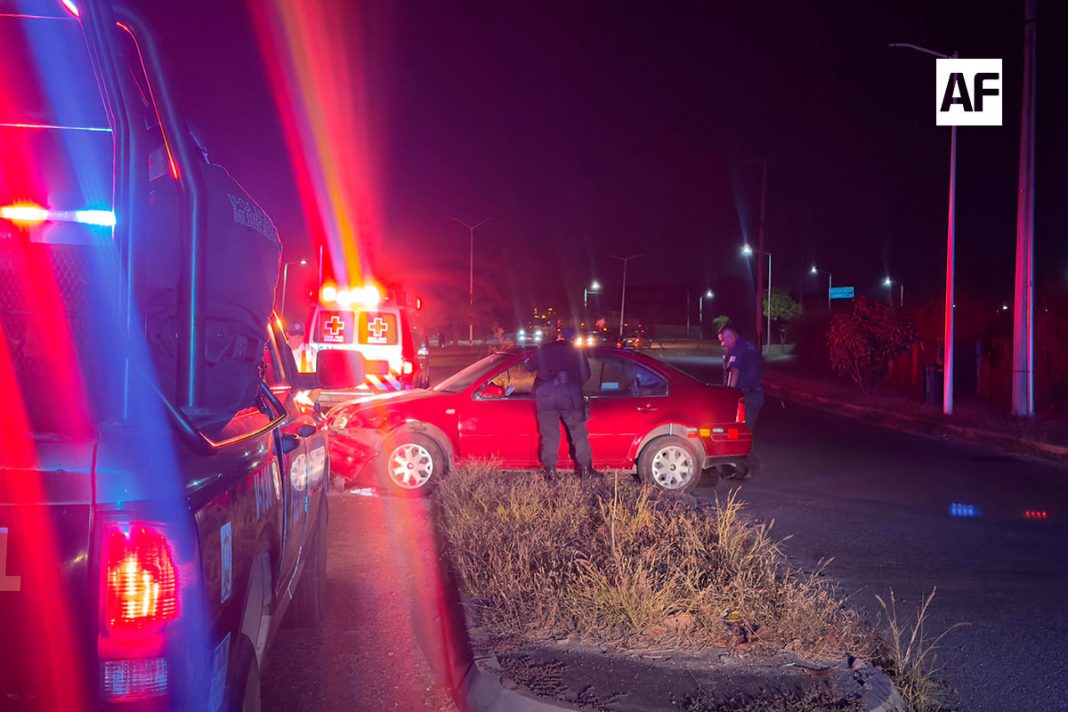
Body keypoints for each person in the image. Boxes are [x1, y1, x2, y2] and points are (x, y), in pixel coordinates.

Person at [525, 326, 593, 477]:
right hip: (570, 398)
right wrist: (574, 385)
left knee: (550, 436)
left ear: (559, 336)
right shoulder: (577, 352)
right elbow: (587, 375)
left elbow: (528, 366)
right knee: (579, 435)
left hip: (546, 397)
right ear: (574, 339)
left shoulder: (544, 349)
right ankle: (585, 470)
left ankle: (550, 472)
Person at [718, 323, 764, 431]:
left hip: (745, 396)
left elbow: (734, 372)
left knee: (737, 430)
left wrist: (729, 395)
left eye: (722, 340)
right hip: (757, 395)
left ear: (731, 338)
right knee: (748, 429)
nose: (722, 344)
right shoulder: (751, 347)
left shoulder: (737, 349)